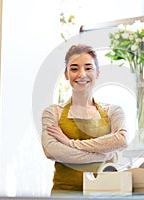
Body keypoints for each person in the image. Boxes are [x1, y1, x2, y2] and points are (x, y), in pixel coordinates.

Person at [41, 44, 128, 194]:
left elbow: (121, 140)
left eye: (88, 68)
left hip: (106, 193)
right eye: (74, 68)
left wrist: (69, 143)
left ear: (98, 73)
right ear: (66, 74)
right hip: (64, 194)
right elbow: (51, 151)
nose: (82, 74)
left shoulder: (113, 111)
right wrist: (103, 153)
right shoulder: (52, 113)